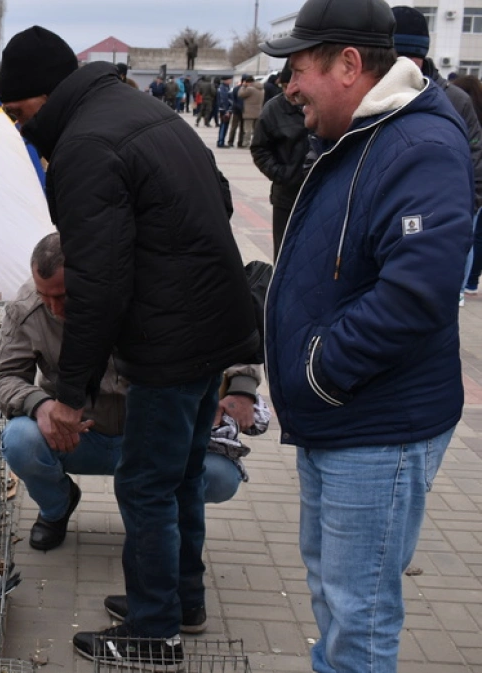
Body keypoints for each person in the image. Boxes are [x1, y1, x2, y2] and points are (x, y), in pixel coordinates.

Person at [0, 26, 258, 669]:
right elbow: (218, 206)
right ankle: (181, 602)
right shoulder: (147, 113)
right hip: (209, 332)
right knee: (183, 477)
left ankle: (153, 632)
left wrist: (72, 393)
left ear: (46, 96)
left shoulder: (85, 145)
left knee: (146, 487)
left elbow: (99, 284)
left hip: (169, 344)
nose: (23, 130)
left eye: (21, 114)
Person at [259, 0, 472, 670]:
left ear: (350, 64)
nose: (288, 87)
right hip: (340, 416)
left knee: (361, 616)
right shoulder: (362, 132)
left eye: (299, 68)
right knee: (334, 594)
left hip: (375, 421)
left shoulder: (418, 146)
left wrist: (320, 366)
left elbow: (415, 295)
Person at [0, 232, 263, 556]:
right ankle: (56, 507)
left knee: (221, 477)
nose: (55, 308)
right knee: (19, 439)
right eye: (45, 296)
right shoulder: (27, 310)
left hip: (151, 438)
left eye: (64, 296)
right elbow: (2, 376)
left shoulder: (152, 292)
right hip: (77, 436)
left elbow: (227, 330)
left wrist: (243, 387)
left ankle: (153, 518)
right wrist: (40, 405)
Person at [390, 5, 482, 306]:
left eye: (410, 56)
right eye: (396, 57)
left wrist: (457, 217)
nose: (404, 65)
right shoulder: (372, 96)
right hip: (384, 228)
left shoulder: (455, 100)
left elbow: (475, 163)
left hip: (438, 232)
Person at [249, 65, 310, 259]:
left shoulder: (322, 104)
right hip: (286, 196)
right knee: (284, 255)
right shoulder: (273, 109)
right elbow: (259, 148)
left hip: (320, 193)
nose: (290, 91)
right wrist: (280, 174)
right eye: (284, 85)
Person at [454, 73, 482, 293]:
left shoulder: (458, 107)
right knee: (471, 238)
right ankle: (466, 286)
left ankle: (467, 285)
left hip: (466, 186)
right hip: (472, 187)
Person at [237, 73, 264, 147]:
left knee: (247, 129)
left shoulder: (250, 89)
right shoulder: (261, 89)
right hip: (258, 111)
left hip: (249, 112)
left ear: (248, 82)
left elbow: (240, 94)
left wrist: (243, 86)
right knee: (256, 130)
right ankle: (256, 143)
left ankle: (246, 143)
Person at [216, 74, 234, 146]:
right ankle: (221, 142)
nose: (231, 81)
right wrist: (227, 111)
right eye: (230, 79)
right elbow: (224, 100)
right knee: (223, 126)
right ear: (226, 80)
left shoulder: (225, 87)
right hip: (224, 110)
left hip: (223, 109)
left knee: (224, 126)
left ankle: (221, 141)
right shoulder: (223, 88)